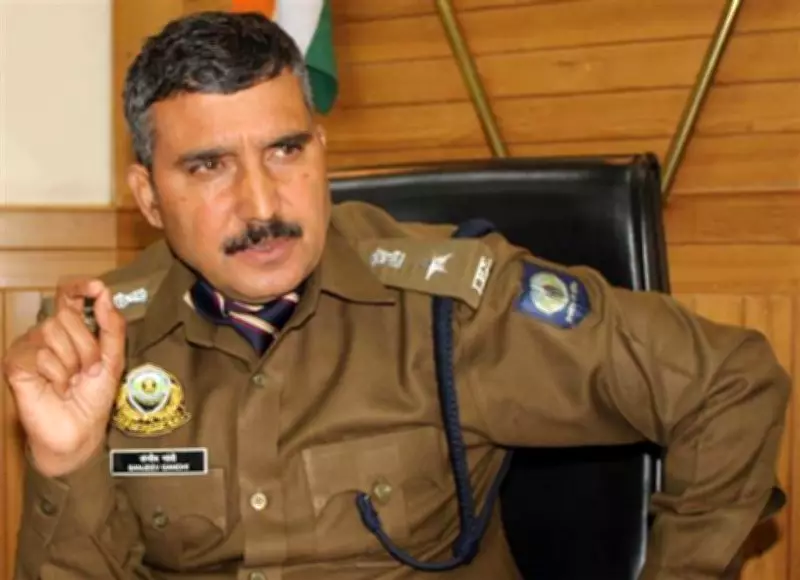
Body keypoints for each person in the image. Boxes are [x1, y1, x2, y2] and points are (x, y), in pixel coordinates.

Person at [2, 11, 790, 580]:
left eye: (285, 150)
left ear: (321, 152)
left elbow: (729, 382)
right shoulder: (101, 343)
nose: (262, 204)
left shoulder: (452, 308)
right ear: (147, 196)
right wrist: (66, 458)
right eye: (209, 166)